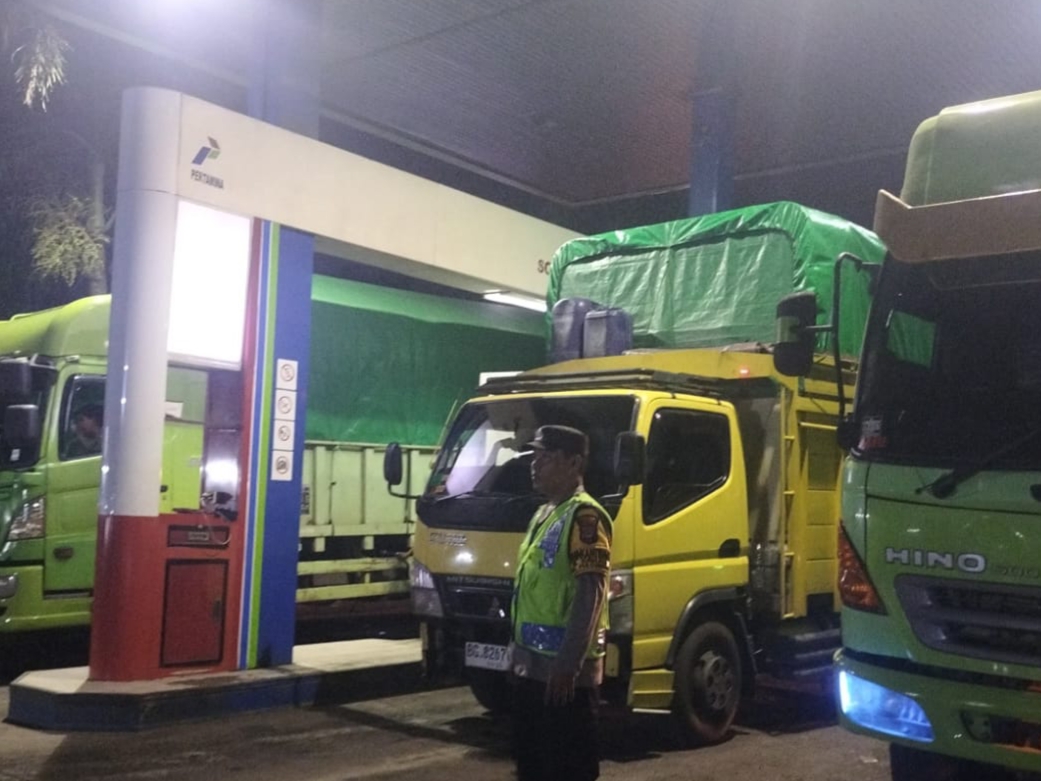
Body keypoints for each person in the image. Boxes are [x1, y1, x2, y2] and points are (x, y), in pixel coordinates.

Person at [510, 424, 613, 781]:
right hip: (532, 671)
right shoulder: (544, 514)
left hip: (565, 678)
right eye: (534, 457)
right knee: (533, 767)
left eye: (546, 458)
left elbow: (591, 592)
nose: (534, 465)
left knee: (567, 769)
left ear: (574, 463)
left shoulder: (585, 517)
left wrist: (568, 664)